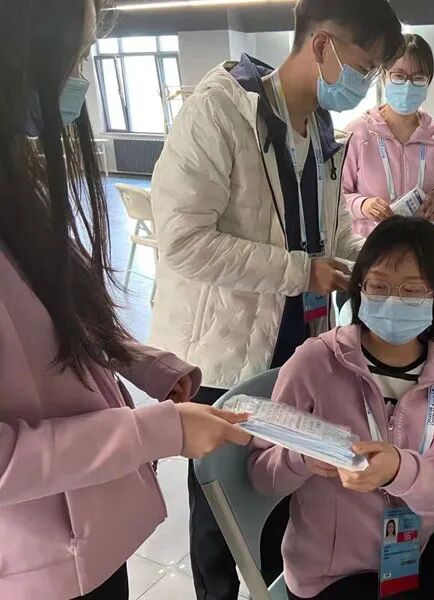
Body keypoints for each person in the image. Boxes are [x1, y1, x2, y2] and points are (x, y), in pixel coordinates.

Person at [148, 1, 404, 597]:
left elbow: (327, 233)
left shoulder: (321, 129)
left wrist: (376, 263)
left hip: (298, 349)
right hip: (226, 352)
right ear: (322, 46)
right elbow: (183, 242)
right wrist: (300, 271)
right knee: (221, 510)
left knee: (277, 489)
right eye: (364, 66)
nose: (365, 84)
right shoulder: (219, 112)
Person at [0, 1, 252, 598]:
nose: (80, 78)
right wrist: (157, 431)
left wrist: (146, 364)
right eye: (74, 57)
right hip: (37, 559)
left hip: (86, 535)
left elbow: (61, 319)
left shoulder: (17, 186)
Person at [249, 217, 434, 600]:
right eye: (378, 286)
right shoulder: (315, 362)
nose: (393, 301)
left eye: (413, 290)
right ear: (359, 287)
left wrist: (398, 470)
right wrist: (302, 458)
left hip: (413, 547)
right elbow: (261, 475)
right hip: (330, 572)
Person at [342, 33, 434, 237]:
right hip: (370, 245)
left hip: (419, 244)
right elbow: (335, 198)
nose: (407, 86)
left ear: (428, 81)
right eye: (398, 76)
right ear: (383, 76)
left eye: (418, 78)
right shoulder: (359, 132)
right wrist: (362, 205)